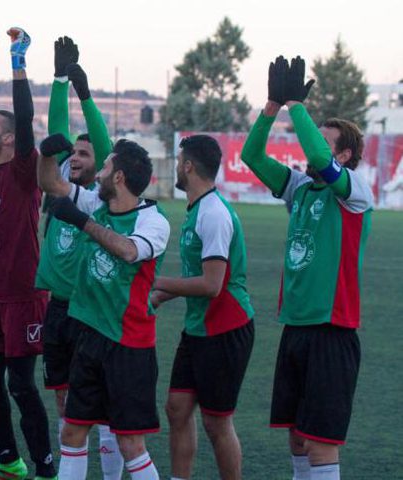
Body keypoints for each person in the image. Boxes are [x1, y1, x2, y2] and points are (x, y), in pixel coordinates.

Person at [241, 55, 374, 480]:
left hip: (332, 330)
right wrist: (271, 106)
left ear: (345, 154)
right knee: (297, 438)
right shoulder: (299, 188)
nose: (311, 145)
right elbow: (251, 155)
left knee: (320, 443)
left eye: (324, 140)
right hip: (296, 327)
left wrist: (297, 106)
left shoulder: (354, 191)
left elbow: (316, 152)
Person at [38, 134, 170, 480]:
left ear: (120, 177)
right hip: (89, 336)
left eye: (106, 167)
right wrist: (46, 155)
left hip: (129, 346)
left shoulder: (153, 221)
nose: (98, 174)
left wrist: (83, 222)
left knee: (130, 444)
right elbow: (50, 182)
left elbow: (128, 251)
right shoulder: (96, 203)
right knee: (73, 432)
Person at [0, 26, 56, 480]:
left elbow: (23, 118)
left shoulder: (23, 169)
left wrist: (18, 61)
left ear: (9, 139)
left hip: (24, 296)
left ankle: (44, 466)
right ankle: (9, 461)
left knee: (21, 385)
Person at [36, 35, 123, 479]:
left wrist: (84, 93)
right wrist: (56, 81)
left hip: (91, 313)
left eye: (84, 153)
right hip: (56, 309)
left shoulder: (95, 201)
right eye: (74, 152)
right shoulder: (59, 187)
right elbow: (54, 140)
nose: (76, 156)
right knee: (64, 401)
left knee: (99, 404)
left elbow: (106, 147)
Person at [151, 135, 255, 480]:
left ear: (189, 166)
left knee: (216, 421)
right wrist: (156, 298)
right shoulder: (198, 208)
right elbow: (195, 277)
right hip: (199, 328)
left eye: (180, 160)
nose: (177, 166)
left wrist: (155, 283)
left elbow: (211, 285)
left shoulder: (213, 213)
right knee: (177, 409)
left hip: (225, 329)